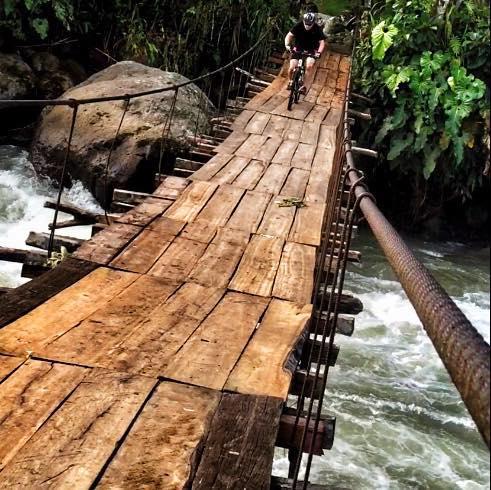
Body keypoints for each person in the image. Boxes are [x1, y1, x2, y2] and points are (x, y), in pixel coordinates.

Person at [284, 12, 326, 94]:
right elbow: (289, 35)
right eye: (306, 23)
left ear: (313, 23)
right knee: (291, 68)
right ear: (303, 21)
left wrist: (319, 52)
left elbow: (322, 42)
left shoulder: (317, 28)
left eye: (310, 24)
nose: (307, 26)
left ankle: (304, 86)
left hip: (312, 50)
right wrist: (287, 45)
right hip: (298, 48)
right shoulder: (298, 25)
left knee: (309, 66)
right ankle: (290, 81)